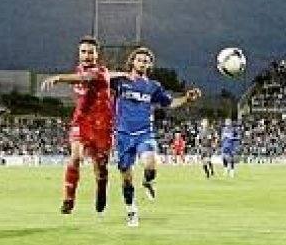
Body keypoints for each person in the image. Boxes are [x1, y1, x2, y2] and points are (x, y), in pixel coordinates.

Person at [106, 46, 201, 227]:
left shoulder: (153, 87)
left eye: (146, 61)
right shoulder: (120, 81)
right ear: (132, 62)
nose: (142, 63)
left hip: (144, 133)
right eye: (139, 59)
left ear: (149, 65)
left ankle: (147, 181)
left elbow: (170, 103)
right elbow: (101, 77)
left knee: (150, 164)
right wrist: (120, 75)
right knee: (126, 177)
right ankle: (131, 210)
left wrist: (186, 98)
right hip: (124, 134)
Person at [40, 36, 114, 216]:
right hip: (81, 122)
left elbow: (85, 78)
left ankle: (101, 187)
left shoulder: (101, 72)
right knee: (75, 157)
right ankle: (68, 200)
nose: (87, 55)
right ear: (78, 53)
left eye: (90, 52)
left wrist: (59, 78)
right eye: (83, 52)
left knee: (100, 167)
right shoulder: (78, 71)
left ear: (97, 54)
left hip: (102, 126)